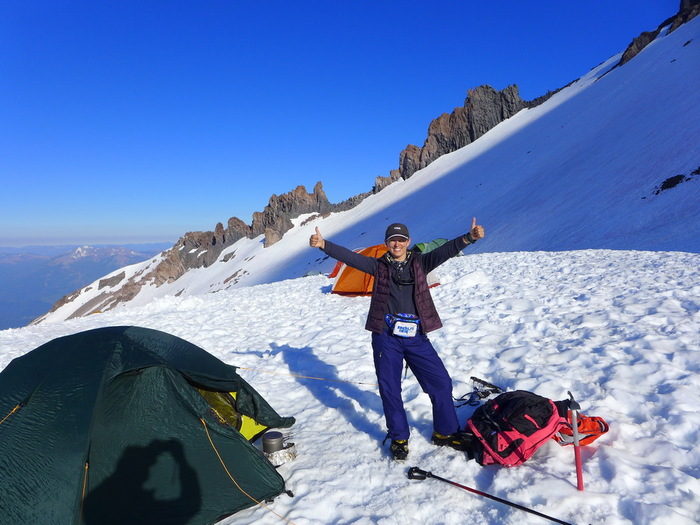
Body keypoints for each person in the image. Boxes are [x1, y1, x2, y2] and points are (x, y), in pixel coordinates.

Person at [309, 219, 485, 460]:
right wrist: (323, 245)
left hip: (417, 337)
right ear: (386, 243)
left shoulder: (421, 262)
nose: (397, 243)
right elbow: (350, 258)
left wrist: (470, 237)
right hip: (386, 337)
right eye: (393, 239)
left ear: (408, 242)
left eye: (401, 239)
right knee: (390, 388)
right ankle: (399, 436)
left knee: (441, 382)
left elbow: (446, 250)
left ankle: (444, 432)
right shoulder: (377, 266)